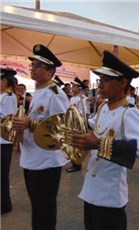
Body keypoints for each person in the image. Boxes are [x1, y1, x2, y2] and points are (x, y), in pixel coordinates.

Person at [71, 51, 139, 230]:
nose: (100, 85)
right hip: (91, 190)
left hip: (109, 195)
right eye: (100, 80)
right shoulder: (103, 107)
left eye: (106, 80)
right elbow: (93, 126)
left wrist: (99, 144)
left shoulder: (129, 112)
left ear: (122, 83)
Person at [12, 44, 70, 230]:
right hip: (31, 157)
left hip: (46, 160)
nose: (33, 69)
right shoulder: (39, 91)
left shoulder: (56, 95)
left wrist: (30, 123)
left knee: (44, 211)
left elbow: (62, 129)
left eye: (38, 66)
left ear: (51, 71)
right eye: (32, 66)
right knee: (37, 208)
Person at [1, 68, 18, 214]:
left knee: (2, 174)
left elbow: (7, 119)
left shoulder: (9, 97)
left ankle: (5, 204)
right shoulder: (3, 96)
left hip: (3, 140)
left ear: (5, 81)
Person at [66, 77, 89, 173]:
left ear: (79, 88)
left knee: (77, 145)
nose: (72, 88)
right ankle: (74, 162)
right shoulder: (72, 98)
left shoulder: (82, 99)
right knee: (71, 144)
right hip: (71, 124)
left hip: (78, 125)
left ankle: (77, 164)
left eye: (74, 86)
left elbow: (84, 113)